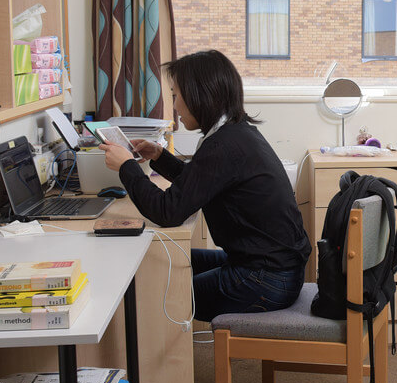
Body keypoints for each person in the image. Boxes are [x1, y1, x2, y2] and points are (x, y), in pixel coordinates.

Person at [100, 49, 310, 320]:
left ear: (201, 95)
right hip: (273, 268)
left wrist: (127, 166)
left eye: (176, 95)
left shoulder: (222, 146)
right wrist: (160, 157)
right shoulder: (237, 132)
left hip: (266, 280)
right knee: (163, 261)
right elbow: (201, 181)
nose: (174, 106)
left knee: (161, 293)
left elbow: (168, 212)